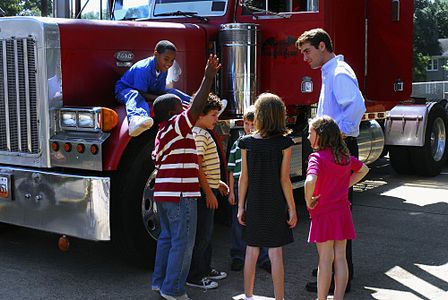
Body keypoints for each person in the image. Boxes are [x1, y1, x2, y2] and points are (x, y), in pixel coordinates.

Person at [296, 27, 366, 293]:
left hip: (337, 149)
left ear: (323, 46)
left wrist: (336, 136)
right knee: (336, 212)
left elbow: (356, 105)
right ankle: (332, 275)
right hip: (335, 148)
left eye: (308, 51)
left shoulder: (338, 72)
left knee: (334, 211)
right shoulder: (331, 72)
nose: (305, 58)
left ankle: (336, 280)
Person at [150, 54, 221, 300]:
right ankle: (173, 290)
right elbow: (197, 106)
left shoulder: (161, 133)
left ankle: (160, 283)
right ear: (173, 112)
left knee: (167, 239)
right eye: (182, 108)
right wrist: (208, 76)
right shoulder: (176, 125)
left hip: (164, 195)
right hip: (181, 195)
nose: (187, 110)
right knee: (183, 243)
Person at [237, 93, 298, 300]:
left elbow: (243, 178)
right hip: (275, 203)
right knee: (276, 253)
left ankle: (248, 295)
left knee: (251, 250)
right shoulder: (285, 143)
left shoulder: (245, 143)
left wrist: (240, 207)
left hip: (254, 202)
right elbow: (284, 180)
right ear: (280, 116)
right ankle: (279, 298)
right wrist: (292, 208)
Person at [305, 116, 369, 300]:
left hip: (323, 213)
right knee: (340, 258)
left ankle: (321, 298)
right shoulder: (343, 156)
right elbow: (364, 169)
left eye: (310, 133)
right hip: (342, 212)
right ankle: (339, 297)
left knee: (325, 260)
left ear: (320, 136)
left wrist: (309, 200)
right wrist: (345, 185)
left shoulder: (316, 157)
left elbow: (310, 180)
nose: (308, 137)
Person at [186, 94, 230, 290]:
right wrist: (209, 192)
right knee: (201, 234)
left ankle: (205, 268)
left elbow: (206, 169)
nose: (216, 119)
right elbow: (198, 167)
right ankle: (195, 275)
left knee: (207, 233)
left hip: (208, 189)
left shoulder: (204, 133)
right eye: (213, 115)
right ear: (200, 115)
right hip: (202, 193)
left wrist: (217, 182)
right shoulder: (198, 134)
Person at [115, 40, 191, 137]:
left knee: (172, 92)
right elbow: (141, 93)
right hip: (125, 91)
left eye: (172, 60)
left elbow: (160, 90)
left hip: (148, 91)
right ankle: (137, 118)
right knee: (134, 95)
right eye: (166, 59)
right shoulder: (143, 68)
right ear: (156, 54)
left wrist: (169, 97)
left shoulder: (164, 68)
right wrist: (161, 99)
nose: (169, 63)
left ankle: (193, 103)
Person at [227, 107, 271, 273]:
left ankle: (264, 257)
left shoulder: (263, 143)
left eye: (253, 124)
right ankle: (238, 256)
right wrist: (231, 191)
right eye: (246, 123)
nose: (250, 127)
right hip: (240, 186)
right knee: (239, 222)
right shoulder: (238, 144)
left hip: (258, 186)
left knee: (261, 220)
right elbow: (231, 169)